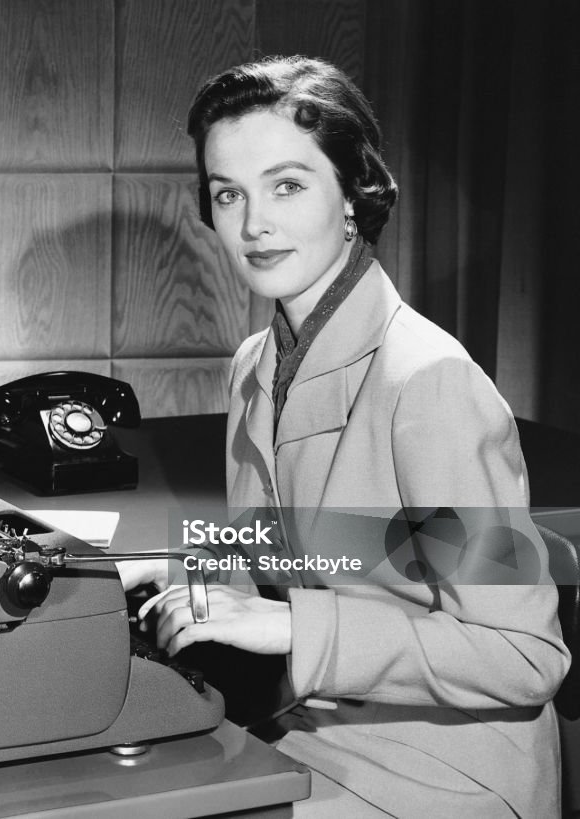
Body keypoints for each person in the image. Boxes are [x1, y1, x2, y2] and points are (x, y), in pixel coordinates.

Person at [118, 56, 569, 817]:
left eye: (287, 185)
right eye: (229, 193)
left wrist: (294, 624)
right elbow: (297, 558)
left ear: (354, 196)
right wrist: (173, 571)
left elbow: (525, 655)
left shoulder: (429, 383)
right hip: (308, 726)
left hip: (445, 765)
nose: (253, 223)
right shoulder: (255, 364)